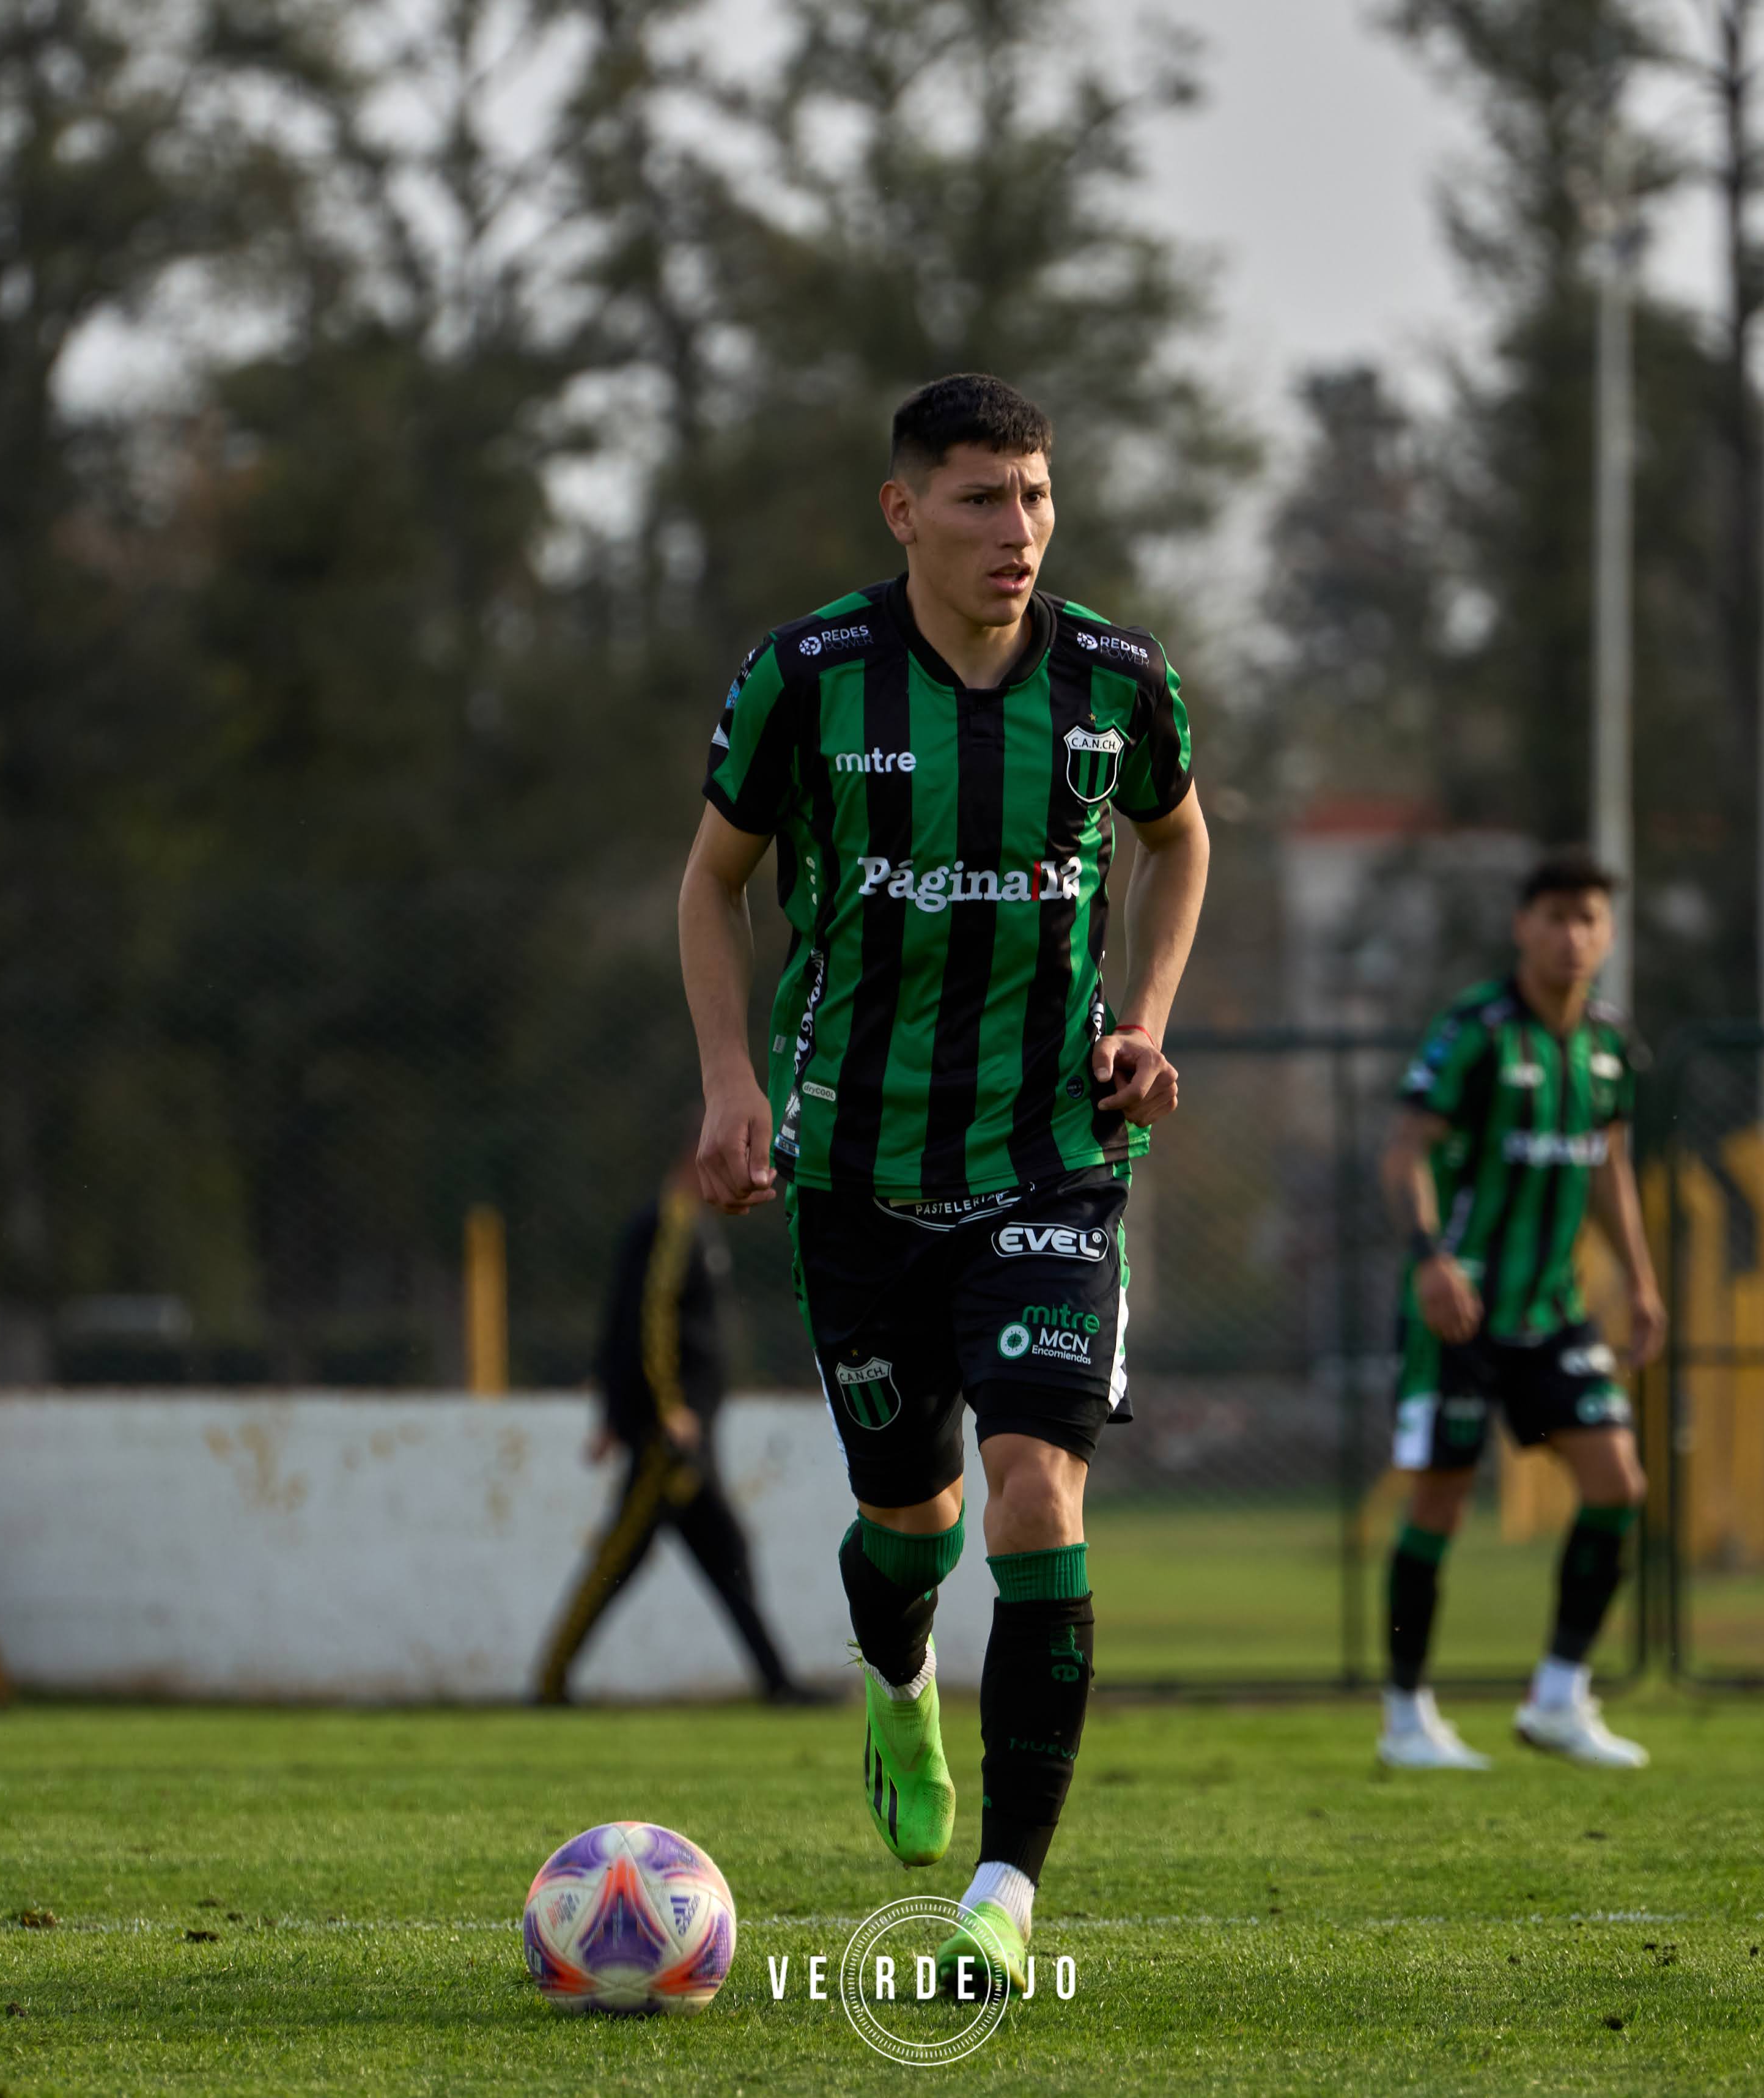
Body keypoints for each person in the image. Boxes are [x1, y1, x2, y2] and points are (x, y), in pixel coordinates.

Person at [678, 372, 1208, 1998]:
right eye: (979, 498)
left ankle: (1003, 1892)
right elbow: (711, 884)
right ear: (902, 510)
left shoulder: (1115, 679)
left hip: (1049, 1153)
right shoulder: (807, 676)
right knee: (903, 1520)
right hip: (852, 1167)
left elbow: (1179, 838)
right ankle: (896, 1672)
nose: (1016, 531)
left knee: (1034, 1490)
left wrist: (1145, 1021)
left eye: (1035, 497)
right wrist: (727, 1080)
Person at [1376, 849, 1665, 1772]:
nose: (1571, 934)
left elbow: (1609, 1168)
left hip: (1552, 1311)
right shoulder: (1475, 1031)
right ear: (1521, 925)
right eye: (1554, 916)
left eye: (1588, 918)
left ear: (1608, 934)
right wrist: (1428, 1260)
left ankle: (1556, 1695)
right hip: (1458, 1312)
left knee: (1617, 1483)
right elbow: (1406, 1151)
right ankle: (1405, 1713)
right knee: (1439, 1500)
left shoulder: (1610, 1046)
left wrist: (1644, 1282)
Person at [535, 1159, 820, 1706]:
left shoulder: (693, 1223)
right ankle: (549, 1683)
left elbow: (622, 1317)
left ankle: (777, 1683)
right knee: (620, 1554)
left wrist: (615, 1414)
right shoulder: (671, 1221)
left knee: (727, 1551)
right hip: (672, 1437)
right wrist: (661, 1409)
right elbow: (647, 1317)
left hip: (693, 1436)